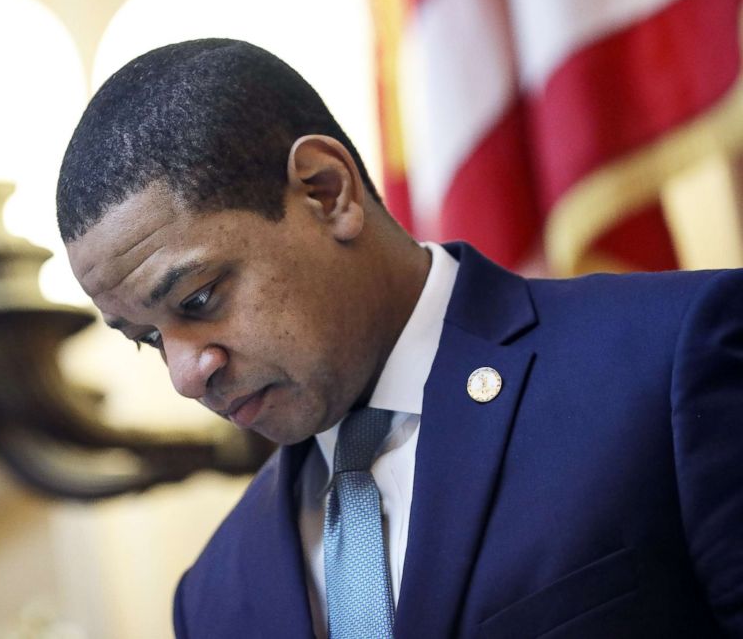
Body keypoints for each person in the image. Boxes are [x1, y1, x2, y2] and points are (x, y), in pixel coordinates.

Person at [56, 39, 743, 638]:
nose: (185, 373)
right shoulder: (212, 596)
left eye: (198, 298)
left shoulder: (669, 361)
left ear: (327, 192)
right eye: (148, 338)